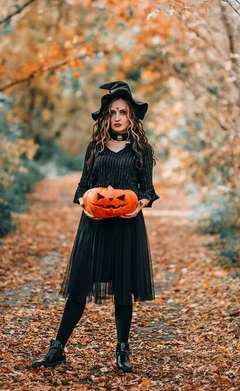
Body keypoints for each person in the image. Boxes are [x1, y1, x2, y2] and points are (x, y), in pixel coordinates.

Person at [31, 80, 159, 373]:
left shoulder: (141, 149)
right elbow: (81, 189)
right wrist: (86, 206)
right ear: (106, 115)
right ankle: (57, 349)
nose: (117, 117)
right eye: (113, 111)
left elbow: (148, 191)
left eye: (123, 112)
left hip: (127, 228)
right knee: (79, 287)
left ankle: (123, 351)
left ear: (131, 117)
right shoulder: (95, 148)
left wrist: (140, 204)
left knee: (124, 290)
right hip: (95, 226)